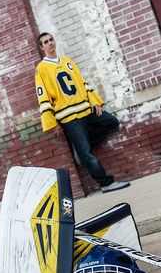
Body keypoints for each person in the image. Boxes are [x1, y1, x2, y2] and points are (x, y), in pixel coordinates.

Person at [35, 32, 130, 193]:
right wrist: (52, 122)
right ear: (42, 47)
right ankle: (106, 184)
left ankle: (81, 149)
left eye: (51, 40)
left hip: (85, 109)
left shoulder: (67, 62)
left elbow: (82, 82)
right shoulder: (41, 68)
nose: (50, 43)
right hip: (68, 117)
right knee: (86, 153)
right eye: (46, 42)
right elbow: (42, 95)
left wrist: (94, 101)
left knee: (111, 122)